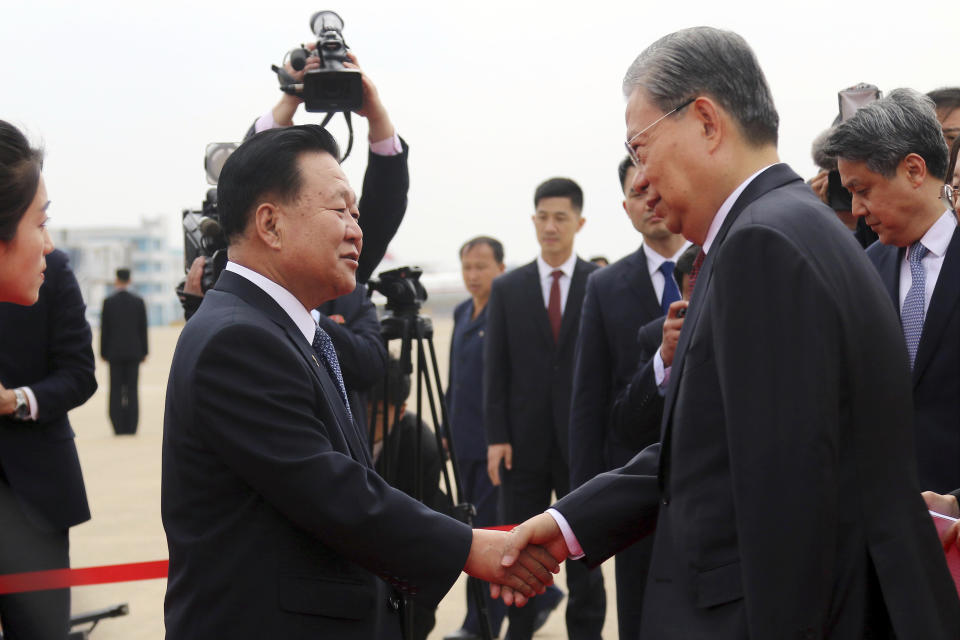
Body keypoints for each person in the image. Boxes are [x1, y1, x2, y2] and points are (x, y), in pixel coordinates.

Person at [495, 27, 960, 638]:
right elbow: (715, 446)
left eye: (641, 149)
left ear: (707, 121)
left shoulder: (762, 247)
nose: (638, 181)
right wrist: (566, 524)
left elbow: (788, 520)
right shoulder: (787, 227)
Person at [160, 124, 557, 639]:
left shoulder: (287, 329)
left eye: (356, 213)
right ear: (270, 224)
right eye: (339, 210)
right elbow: (332, 491)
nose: (356, 230)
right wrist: (469, 546)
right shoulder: (238, 341)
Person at [568, 156, 687, 639]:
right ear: (625, 207)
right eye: (638, 193)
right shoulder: (603, 286)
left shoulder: (726, 263)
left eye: (656, 188)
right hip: (636, 491)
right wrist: (584, 509)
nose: (650, 201)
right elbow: (588, 402)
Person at [822, 89, 960, 494]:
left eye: (863, 190)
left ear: (915, 170)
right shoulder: (861, 271)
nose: (857, 209)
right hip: (881, 531)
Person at [484, 178, 604, 640]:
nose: (550, 226)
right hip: (522, 445)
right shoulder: (508, 288)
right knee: (519, 551)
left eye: (561, 217)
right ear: (533, 221)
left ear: (579, 222)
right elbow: (497, 368)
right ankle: (519, 632)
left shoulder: (599, 283)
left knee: (586, 555)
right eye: (543, 217)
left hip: (582, 443)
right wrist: (497, 435)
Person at [0, 120, 93, 640]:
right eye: (40, 222)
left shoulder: (52, 273)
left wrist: (15, 401)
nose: (49, 242)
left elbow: (80, 374)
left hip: (35, 498)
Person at [368, 355, 450, 640]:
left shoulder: (420, 445)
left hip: (407, 555)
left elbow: (421, 535)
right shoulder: (341, 427)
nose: (368, 422)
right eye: (364, 410)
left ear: (401, 410)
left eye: (378, 415)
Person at [100, 268, 147, 435]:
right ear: (130, 280)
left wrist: (103, 352)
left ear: (117, 280)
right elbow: (143, 329)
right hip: (134, 352)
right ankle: (132, 427)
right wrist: (144, 351)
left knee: (115, 390)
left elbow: (105, 330)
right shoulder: (138, 301)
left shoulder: (108, 302)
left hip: (114, 353)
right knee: (132, 390)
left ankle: (118, 427)